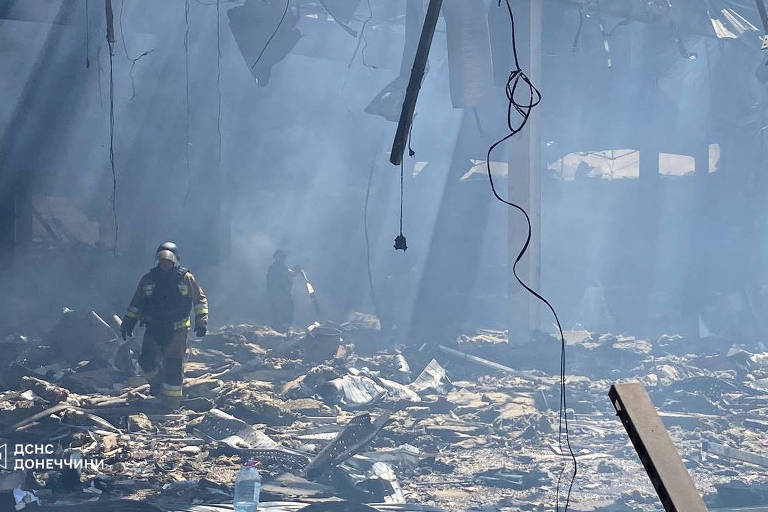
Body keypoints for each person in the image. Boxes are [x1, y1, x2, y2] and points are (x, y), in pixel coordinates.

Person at [120, 242, 208, 409]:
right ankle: (158, 385)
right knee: (146, 362)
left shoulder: (186, 278)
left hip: (178, 330)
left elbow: (200, 300)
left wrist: (201, 322)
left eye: (168, 261)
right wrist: (128, 323)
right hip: (153, 328)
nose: (164, 264)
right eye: (161, 261)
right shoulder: (148, 279)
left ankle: (171, 404)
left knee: (174, 366)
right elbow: (136, 303)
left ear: (175, 261)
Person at [267, 249, 299, 332]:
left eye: (283, 257)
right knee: (280, 310)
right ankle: (279, 328)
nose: (283, 259)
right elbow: (273, 282)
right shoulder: (274, 268)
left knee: (288, 308)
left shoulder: (282, 267)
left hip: (284, 294)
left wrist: (296, 270)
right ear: (276, 257)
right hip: (278, 295)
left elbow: (290, 273)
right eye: (281, 257)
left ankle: (285, 327)